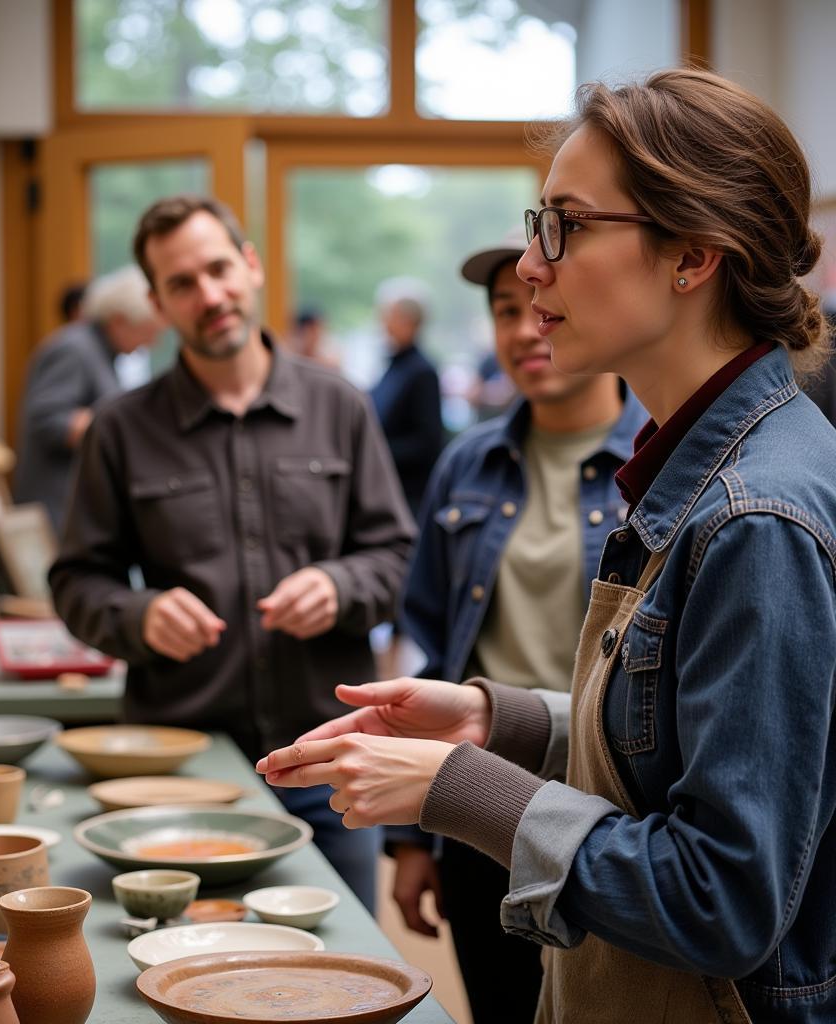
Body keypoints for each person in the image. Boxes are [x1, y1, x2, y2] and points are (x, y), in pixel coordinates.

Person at [258, 68, 836, 1023]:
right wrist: (505, 722)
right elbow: (685, 743)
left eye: (564, 225)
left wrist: (458, 786)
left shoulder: (754, 516)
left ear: (692, 255)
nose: (529, 265)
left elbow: (722, 898)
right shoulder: (707, 464)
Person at [48, 195, 415, 912]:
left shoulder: (341, 406)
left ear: (250, 267)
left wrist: (342, 587)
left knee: (344, 983)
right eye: (181, 284)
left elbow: (399, 557)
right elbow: (76, 581)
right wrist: (138, 613)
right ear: (157, 303)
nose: (208, 295)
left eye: (218, 269)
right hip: (182, 772)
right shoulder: (121, 429)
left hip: (329, 763)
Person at [386, 226, 645, 1024]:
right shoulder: (468, 465)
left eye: (541, 304)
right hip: (478, 801)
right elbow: (428, 646)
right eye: (505, 310)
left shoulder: (661, 454)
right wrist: (412, 840)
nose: (526, 328)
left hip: (609, 809)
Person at [13, 266, 164, 532]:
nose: (151, 343)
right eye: (148, 331)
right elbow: (46, 420)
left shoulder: (100, 352)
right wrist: (120, 428)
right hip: (56, 509)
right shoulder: (73, 349)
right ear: (119, 320)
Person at [370, 280, 445, 519]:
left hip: (410, 497)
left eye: (389, 316)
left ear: (409, 321)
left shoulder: (422, 371)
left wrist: (376, 451)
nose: (384, 323)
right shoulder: (395, 366)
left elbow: (427, 442)